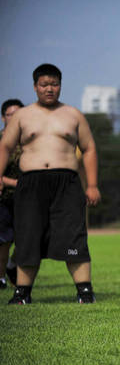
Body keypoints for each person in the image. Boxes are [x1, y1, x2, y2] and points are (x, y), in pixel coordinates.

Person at [0, 63, 101, 304]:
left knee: (73, 235)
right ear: (35, 87)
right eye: (44, 84)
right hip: (31, 183)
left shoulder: (73, 114)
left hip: (66, 183)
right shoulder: (23, 116)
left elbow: (89, 148)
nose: (49, 89)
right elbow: (5, 146)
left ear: (60, 86)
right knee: (27, 235)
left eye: (54, 84)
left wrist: (92, 184)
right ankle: (22, 292)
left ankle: (84, 291)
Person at [0, 99, 24, 289]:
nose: (15, 117)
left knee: (30, 238)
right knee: (4, 240)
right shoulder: (1, 141)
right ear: (3, 118)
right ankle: (1, 278)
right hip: (4, 198)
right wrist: (16, 183)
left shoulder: (30, 140)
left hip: (27, 199)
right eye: (10, 114)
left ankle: (12, 266)